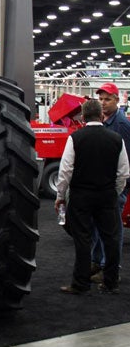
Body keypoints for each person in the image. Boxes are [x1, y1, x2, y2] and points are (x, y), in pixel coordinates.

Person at [55, 99, 129, 294]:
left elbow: (65, 172)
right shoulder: (116, 139)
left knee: (83, 240)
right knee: (111, 239)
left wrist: (60, 196)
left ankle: (81, 284)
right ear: (100, 115)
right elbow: (123, 173)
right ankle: (111, 282)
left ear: (83, 116)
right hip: (107, 196)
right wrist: (114, 192)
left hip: (81, 197)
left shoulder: (76, 138)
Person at [90, 82, 130, 283]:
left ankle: (110, 268)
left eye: (107, 99)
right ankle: (97, 262)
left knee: (112, 228)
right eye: (101, 99)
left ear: (117, 100)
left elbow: (124, 161)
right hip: (103, 184)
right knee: (99, 224)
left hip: (115, 185)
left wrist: (117, 189)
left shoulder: (121, 124)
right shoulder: (105, 121)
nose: (103, 103)